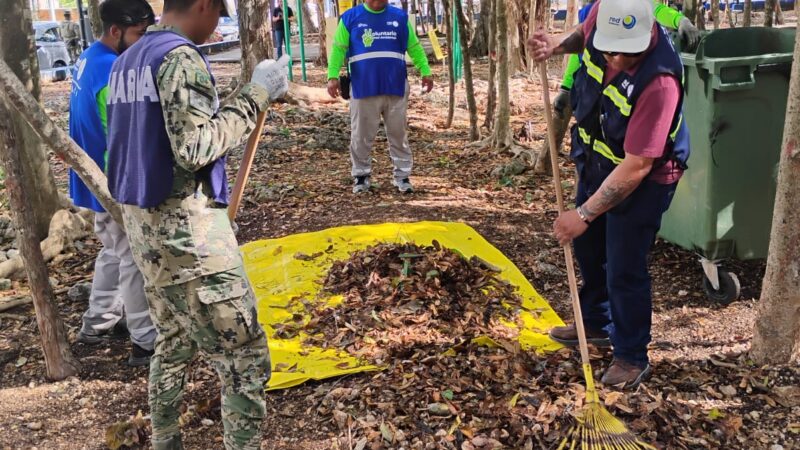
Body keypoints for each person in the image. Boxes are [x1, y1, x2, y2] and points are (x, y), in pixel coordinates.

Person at [106, 0, 288, 447]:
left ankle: (165, 439)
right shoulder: (179, 56)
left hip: (149, 238)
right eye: (218, 13)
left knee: (173, 344)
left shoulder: (127, 60)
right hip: (190, 243)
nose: (216, 25)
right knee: (244, 359)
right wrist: (256, 93)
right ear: (202, 5)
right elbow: (195, 146)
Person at [529, 0, 690, 389]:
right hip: (597, 158)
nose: (614, 59)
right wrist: (555, 44)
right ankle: (595, 324)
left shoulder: (660, 83)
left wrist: (582, 214)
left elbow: (637, 167)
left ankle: (631, 355)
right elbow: (584, 35)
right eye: (609, 48)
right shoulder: (605, 11)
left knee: (624, 265)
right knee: (589, 251)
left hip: (643, 180)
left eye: (625, 53)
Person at [68, 0, 157, 367]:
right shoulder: (112, 71)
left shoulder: (89, 57)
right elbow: (121, 134)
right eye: (138, 34)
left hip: (91, 178)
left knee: (113, 250)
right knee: (135, 257)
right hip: (111, 181)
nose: (141, 43)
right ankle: (145, 340)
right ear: (116, 31)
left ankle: (98, 323)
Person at [326, 0, 433, 194]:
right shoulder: (350, 18)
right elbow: (338, 48)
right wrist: (332, 76)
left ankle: (402, 176)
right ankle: (361, 176)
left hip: (395, 86)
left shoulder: (399, 18)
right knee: (361, 135)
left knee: (398, 133)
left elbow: (414, 47)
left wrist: (425, 70)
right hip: (363, 87)